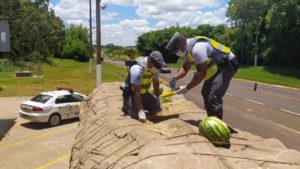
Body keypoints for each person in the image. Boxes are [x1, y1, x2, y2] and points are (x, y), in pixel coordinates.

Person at [165, 32, 239, 119]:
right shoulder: (189, 49)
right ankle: (211, 119)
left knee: (214, 95)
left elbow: (201, 74)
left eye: (176, 50)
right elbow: (185, 68)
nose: (176, 53)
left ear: (182, 43)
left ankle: (217, 123)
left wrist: (187, 88)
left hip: (227, 63)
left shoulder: (197, 49)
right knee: (205, 92)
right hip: (216, 65)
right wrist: (175, 78)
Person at [122, 51, 167, 122]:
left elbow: (155, 82)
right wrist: (140, 110)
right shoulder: (137, 69)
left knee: (157, 109)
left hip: (144, 93)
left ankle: (142, 104)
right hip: (132, 94)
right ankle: (127, 106)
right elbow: (136, 91)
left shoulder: (155, 68)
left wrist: (157, 97)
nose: (158, 68)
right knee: (136, 116)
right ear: (149, 61)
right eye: (157, 66)